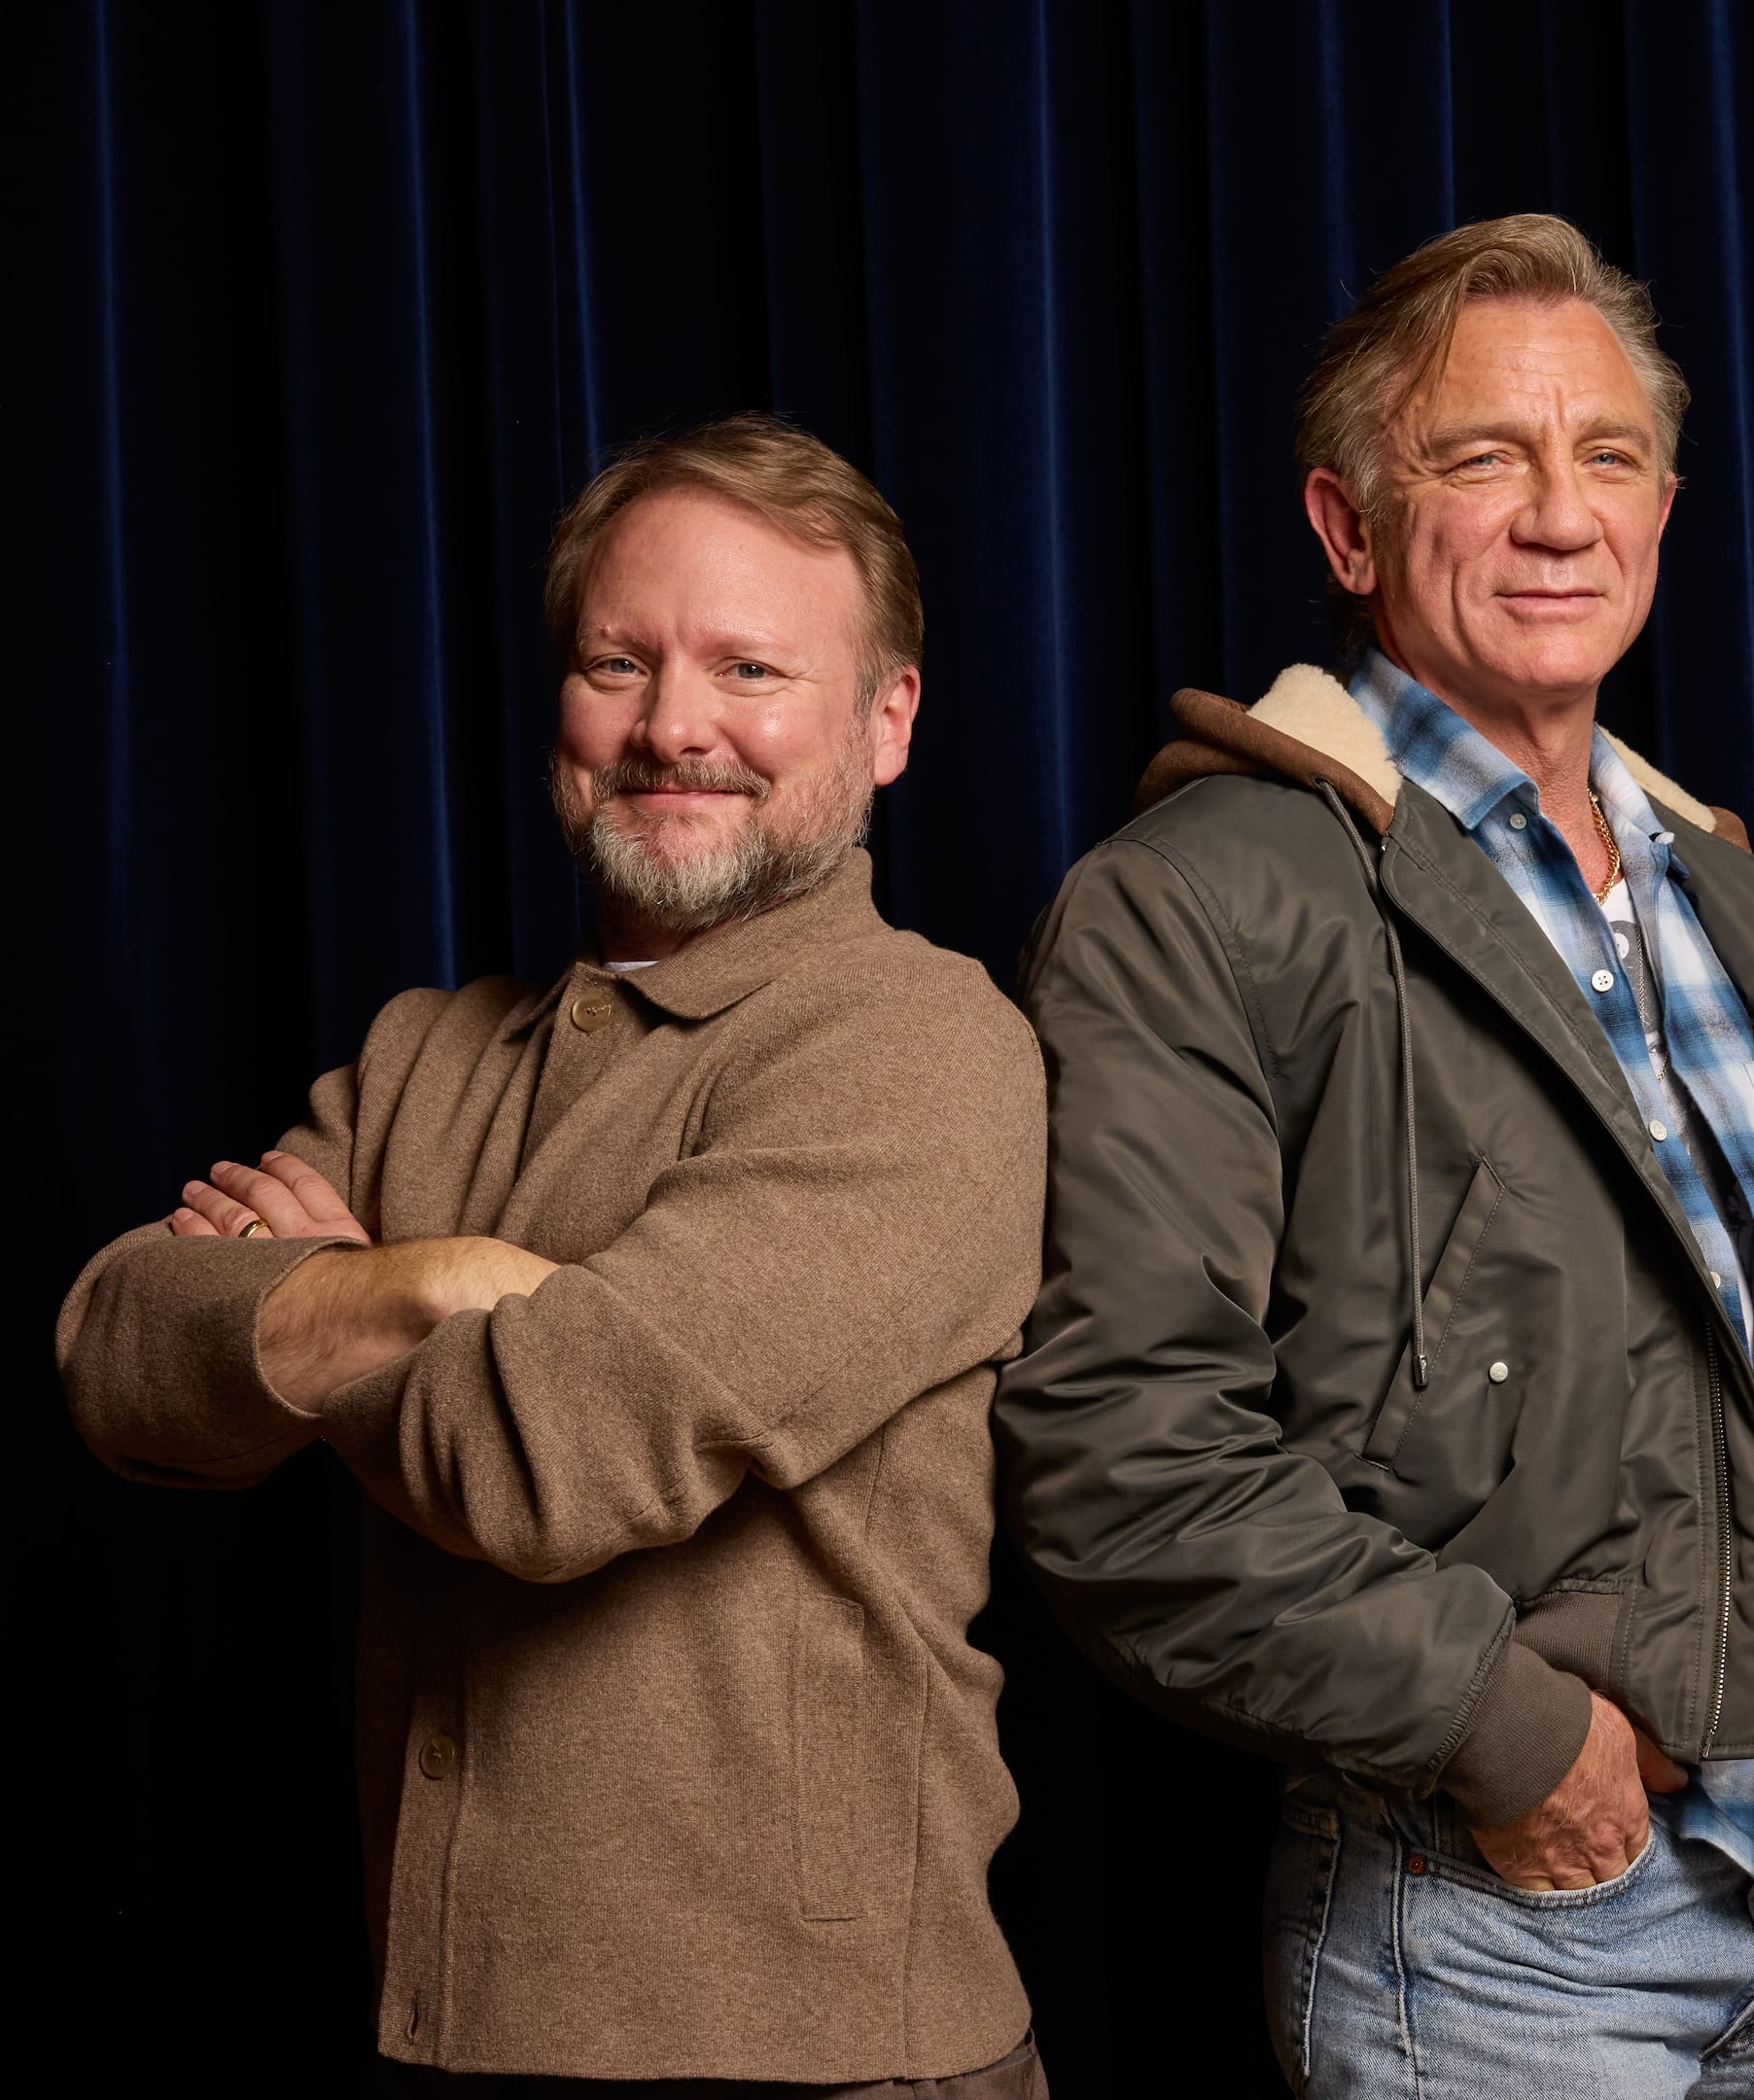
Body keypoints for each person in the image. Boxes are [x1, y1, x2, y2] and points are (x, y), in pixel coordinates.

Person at [996, 216, 1754, 2097]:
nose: (1559, 515)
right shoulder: (1199, 903)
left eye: (1606, 458)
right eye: (1481, 458)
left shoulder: (1730, 893)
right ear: (1348, 531)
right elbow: (1121, 1453)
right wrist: (1503, 1731)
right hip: (1498, 1928)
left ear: (1665, 516)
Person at [58, 414, 1047, 2096]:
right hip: (443, 2031)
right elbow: (116, 1353)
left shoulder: (925, 1049)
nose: (672, 728)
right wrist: (433, 1283)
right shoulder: (424, 1053)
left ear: (887, 725)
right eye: (619, 662)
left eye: (750, 668)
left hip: (815, 2065)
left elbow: (549, 1463)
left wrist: (300, 1317)